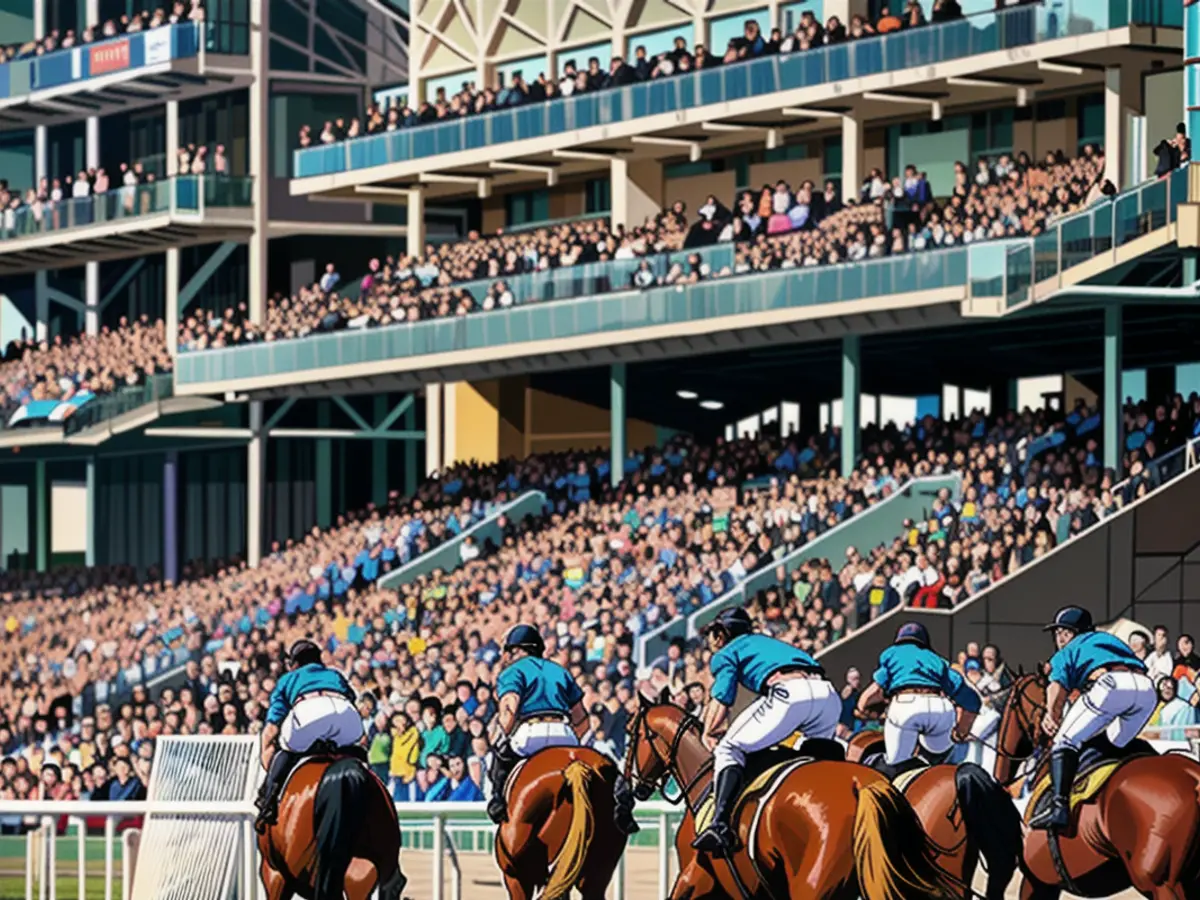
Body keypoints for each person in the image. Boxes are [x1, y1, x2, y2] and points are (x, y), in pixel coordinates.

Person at [692, 607, 840, 853]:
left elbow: (722, 698)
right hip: (827, 694)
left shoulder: (726, 653)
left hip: (791, 694)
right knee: (814, 759)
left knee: (729, 748)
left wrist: (708, 731)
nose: (711, 639)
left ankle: (718, 824)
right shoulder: (767, 642)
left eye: (714, 633)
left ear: (723, 633)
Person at [487, 623, 639, 835]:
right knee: (602, 764)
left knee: (500, 754)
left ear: (518, 650)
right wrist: (576, 747)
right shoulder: (560, 671)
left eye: (510, 652)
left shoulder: (511, 672)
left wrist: (500, 737)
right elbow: (581, 718)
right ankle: (621, 803)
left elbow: (509, 712)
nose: (508, 657)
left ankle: (497, 803)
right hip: (564, 733)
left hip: (530, 734)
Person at [1028, 606, 1156, 832]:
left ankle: (1059, 808)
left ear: (1074, 632)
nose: (1059, 638)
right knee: (1114, 742)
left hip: (1110, 685)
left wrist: (1052, 716)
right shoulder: (1108, 639)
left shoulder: (1066, 652)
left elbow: (1056, 688)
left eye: (1063, 632)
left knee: (1063, 742)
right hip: (1146, 690)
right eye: (1057, 633)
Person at [254, 639, 363, 830]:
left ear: (294, 663)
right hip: (347, 717)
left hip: (309, 713)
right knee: (357, 753)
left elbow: (271, 729)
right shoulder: (335, 674)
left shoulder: (288, 679)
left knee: (285, 750)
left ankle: (268, 803)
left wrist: (266, 751)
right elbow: (352, 699)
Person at [854, 622, 980, 779]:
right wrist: (961, 731)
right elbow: (972, 701)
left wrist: (861, 708)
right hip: (940, 708)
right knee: (935, 761)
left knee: (895, 764)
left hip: (906, 705)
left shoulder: (892, 654)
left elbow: (875, 691)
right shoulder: (937, 660)